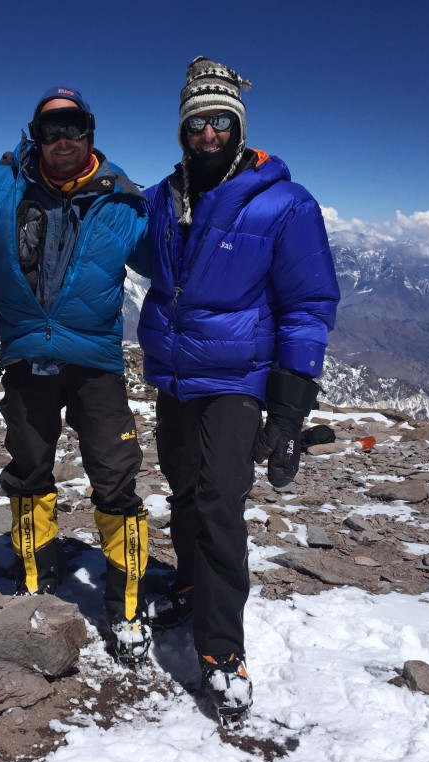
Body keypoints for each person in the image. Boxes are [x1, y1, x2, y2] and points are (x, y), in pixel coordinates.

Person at [137, 57, 341, 720]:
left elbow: (308, 304)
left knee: (222, 503)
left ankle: (222, 651)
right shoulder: (164, 199)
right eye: (197, 122)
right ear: (182, 129)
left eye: (222, 121)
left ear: (239, 125)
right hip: (175, 375)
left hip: (236, 379)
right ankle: (192, 583)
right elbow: (126, 241)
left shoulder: (284, 202)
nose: (209, 133)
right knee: (186, 489)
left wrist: (288, 409)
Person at [0, 87, 152, 663]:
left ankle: (126, 607)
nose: (63, 139)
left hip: (97, 364)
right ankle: (38, 576)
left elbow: (182, 262)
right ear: (35, 135)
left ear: (91, 133)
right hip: (28, 359)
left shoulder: (126, 205)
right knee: (29, 469)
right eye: (51, 129)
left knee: (115, 477)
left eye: (74, 127)